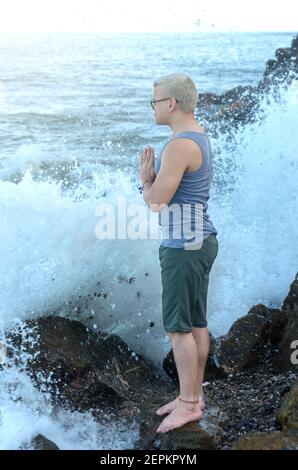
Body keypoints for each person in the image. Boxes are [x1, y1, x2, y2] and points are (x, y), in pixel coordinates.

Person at [139, 73, 219, 434]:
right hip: (200, 240)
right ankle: (192, 395)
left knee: (179, 328)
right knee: (196, 323)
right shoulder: (197, 136)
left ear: (170, 103)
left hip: (184, 247)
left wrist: (146, 178)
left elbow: (156, 202)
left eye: (154, 101)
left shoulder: (179, 145)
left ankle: (188, 404)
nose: (153, 107)